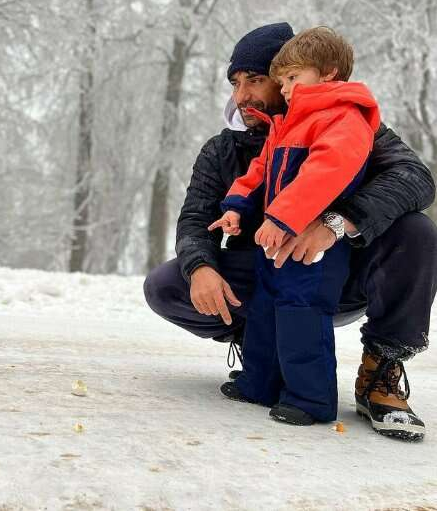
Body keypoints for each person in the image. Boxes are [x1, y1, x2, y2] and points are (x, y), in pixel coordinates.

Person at [143, 22, 437, 441]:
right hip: (263, 275)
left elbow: (415, 178)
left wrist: (334, 224)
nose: (242, 95)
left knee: (417, 232)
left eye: (257, 80)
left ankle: (380, 371)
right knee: (169, 283)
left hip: (336, 272)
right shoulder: (224, 149)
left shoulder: (348, 123)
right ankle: (263, 358)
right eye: (235, 83)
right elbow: (195, 219)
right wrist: (201, 266)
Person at [208, 26, 378, 427]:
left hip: (312, 246)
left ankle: (310, 399)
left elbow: (324, 173)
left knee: (301, 313)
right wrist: (235, 205)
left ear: (329, 73)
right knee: (266, 310)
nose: (284, 88)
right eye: (281, 80)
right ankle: (258, 383)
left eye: (292, 78)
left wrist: (283, 218)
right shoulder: (288, 124)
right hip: (274, 244)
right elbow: (259, 171)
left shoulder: (343, 118)